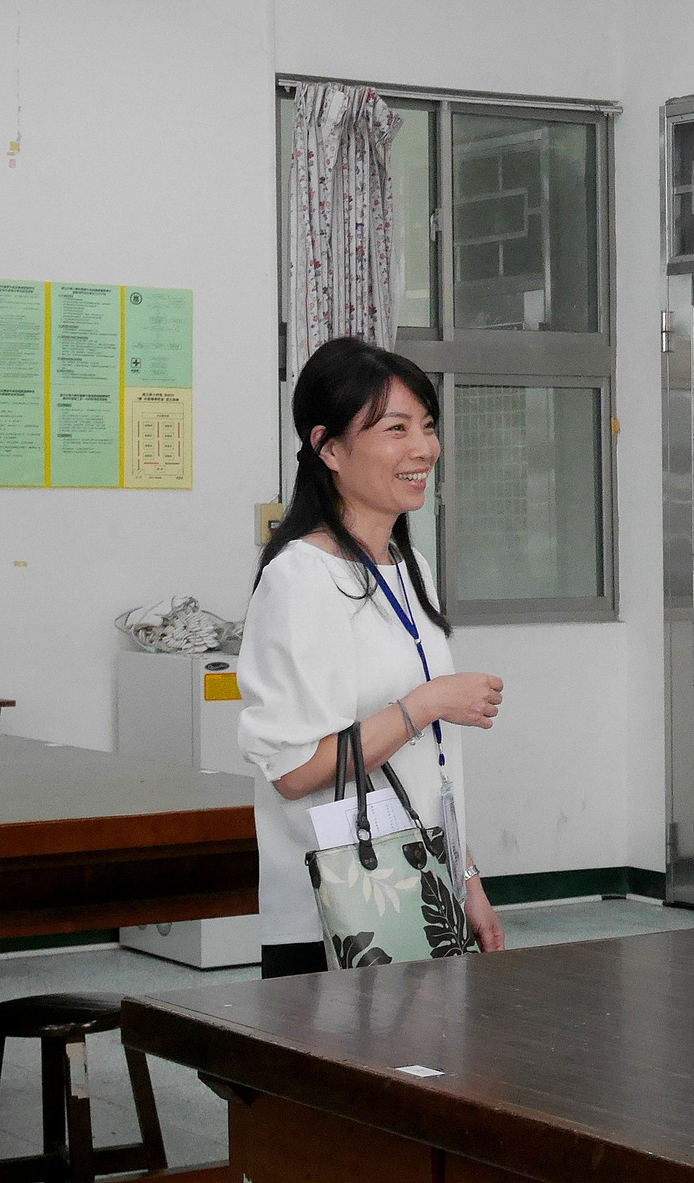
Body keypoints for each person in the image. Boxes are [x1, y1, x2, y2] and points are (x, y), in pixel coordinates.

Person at [238, 336, 507, 977]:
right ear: (329, 448)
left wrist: (465, 873)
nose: (423, 449)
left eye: (427, 426)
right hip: (338, 911)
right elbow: (294, 771)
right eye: (395, 429)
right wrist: (425, 704)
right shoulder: (300, 577)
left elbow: (426, 767)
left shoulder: (409, 565)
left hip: (423, 888)